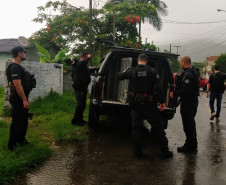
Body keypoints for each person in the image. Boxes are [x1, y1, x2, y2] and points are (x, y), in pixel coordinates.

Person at [117, 53, 173, 159]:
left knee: (136, 128)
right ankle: (165, 152)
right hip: (149, 104)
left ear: (138, 61)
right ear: (146, 61)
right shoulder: (153, 71)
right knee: (157, 127)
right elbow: (159, 88)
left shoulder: (132, 71)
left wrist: (126, 71)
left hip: (136, 104)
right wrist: (162, 102)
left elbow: (119, 76)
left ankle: (138, 154)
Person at [6, 46, 36, 151]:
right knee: (17, 121)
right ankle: (12, 144)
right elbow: (17, 84)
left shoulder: (18, 67)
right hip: (18, 98)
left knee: (23, 120)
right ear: (20, 54)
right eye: (24, 52)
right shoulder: (14, 67)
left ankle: (21, 140)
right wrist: (24, 100)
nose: (25, 54)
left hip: (22, 97)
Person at [170, 56, 200, 153]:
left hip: (189, 102)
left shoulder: (188, 74)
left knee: (188, 124)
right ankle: (192, 144)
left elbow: (187, 89)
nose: (180, 64)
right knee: (190, 124)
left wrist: (174, 94)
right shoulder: (194, 71)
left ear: (183, 62)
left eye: (180, 62)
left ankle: (189, 146)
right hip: (192, 101)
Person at [71, 53, 95, 126]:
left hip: (83, 87)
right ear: (82, 57)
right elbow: (83, 63)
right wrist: (88, 57)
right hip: (79, 87)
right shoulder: (78, 63)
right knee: (80, 104)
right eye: (85, 57)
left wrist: (94, 68)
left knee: (83, 104)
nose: (87, 59)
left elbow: (87, 70)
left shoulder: (82, 66)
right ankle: (75, 120)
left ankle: (80, 119)